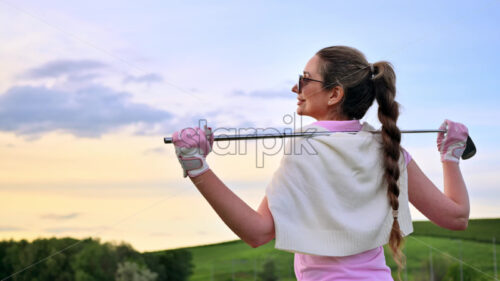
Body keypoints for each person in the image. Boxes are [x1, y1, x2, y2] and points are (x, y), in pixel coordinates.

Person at [171, 46, 470, 281]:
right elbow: (456, 218)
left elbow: (257, 232)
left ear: (335, 94)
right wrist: (450, 156)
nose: (295, 88)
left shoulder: (305, 148)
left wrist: (196, 166)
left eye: (305, 79)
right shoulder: (389, 149)